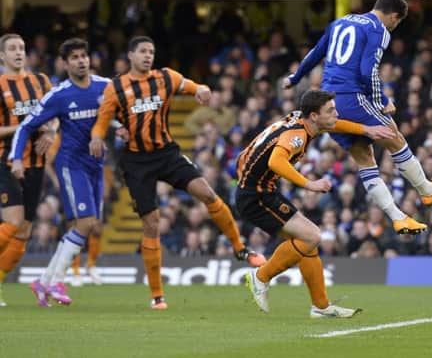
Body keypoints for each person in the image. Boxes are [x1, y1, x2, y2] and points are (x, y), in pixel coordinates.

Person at [89, 36, 265, 309]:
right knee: (152, 223)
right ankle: (157, 297)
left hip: (167, 153)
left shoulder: (165, 77)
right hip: (136, 162)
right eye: (143, 52)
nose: (148, 56)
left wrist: (202, 89)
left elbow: (193, 86)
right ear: (131, 55)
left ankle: (239, 248)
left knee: (206, 193)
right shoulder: (117, 88)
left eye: (152, 51)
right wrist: (97, 137)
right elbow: (102, 122)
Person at [284, 0, 432, 234]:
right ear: (394, 17)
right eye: (397, 23)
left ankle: (398, 217)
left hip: (328, 103)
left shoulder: (341, 21)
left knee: (364, 157)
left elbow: (316, 52)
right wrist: (382, 101)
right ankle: (428, 191)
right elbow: (368, 71)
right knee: (393, 136)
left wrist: (296, 76)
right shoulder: (379, 30)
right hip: (350, 97)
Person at [241, 90, 395, 317]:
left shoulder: (305, 121)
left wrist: (366, 129)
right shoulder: (298, 135)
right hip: (255, 196)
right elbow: (276, 161)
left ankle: (321, 307)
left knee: (308, 244)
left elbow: (334, 125)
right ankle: (261, 276)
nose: (336, 113)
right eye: (330, 110)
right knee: (311, 236)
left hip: (262, 191)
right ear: (314, 116)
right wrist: (308, 184)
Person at [10, 38, 112, 306]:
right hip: (71, 163)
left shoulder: (105, 87)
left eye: (84, 56)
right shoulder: (59, 95)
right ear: (65, 64)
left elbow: (118, 112)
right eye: (75, 57)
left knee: (89, 225)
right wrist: (16, 158)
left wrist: (121, 126)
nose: (81, 61)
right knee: (85, 223)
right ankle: (56, 281)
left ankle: (43, 282)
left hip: (96, 166)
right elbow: (25, 126)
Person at [0, 33, 55, 306]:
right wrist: (25, 127)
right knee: (12, 222)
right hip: (6, 161)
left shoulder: (42, 81)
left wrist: (52, 132)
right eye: (12, 49)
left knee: (23, 232)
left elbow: (55, 113)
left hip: (36, 163)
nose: (18, 52)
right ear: (2, 56)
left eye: (22, 47)